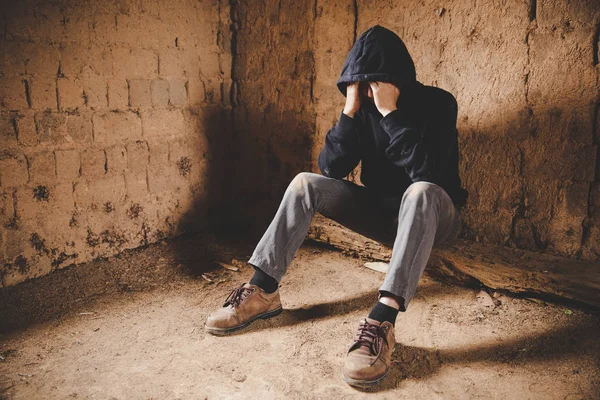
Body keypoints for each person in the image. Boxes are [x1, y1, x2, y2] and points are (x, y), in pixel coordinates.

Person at [205, 25, 468, 388]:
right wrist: (349, 111)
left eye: (373, 83)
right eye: (359, 84)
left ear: (396, 79)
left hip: (436, 217)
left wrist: (390, 114)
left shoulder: (439, 104)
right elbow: (330, 168)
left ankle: (381, 321)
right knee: (304, 183)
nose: (367, 91)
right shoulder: (360, 109)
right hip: (382, 215)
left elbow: (430, 175)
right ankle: (263, 289)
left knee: (420, 191)